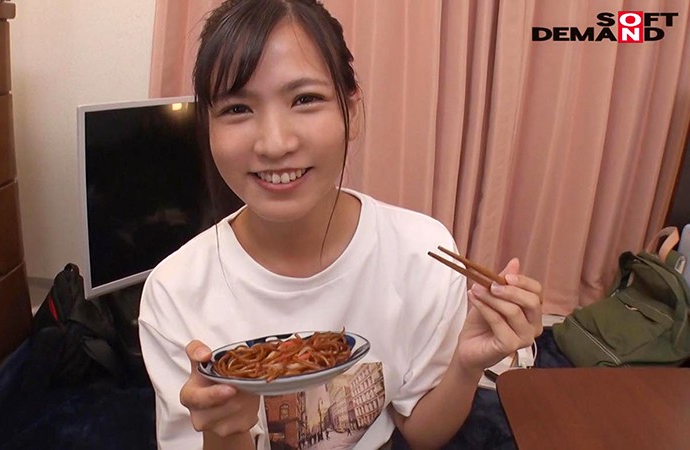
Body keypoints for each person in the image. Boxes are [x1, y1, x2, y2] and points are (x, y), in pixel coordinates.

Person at [138, 1, 543, 449]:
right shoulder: (174, 291)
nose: (275, 143)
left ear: (353, 112)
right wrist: (223, 430)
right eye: (237, 108)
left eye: (305, 99)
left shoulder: (420, 251)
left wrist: (466, 365)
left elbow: (422, 433)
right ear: (207, 127)